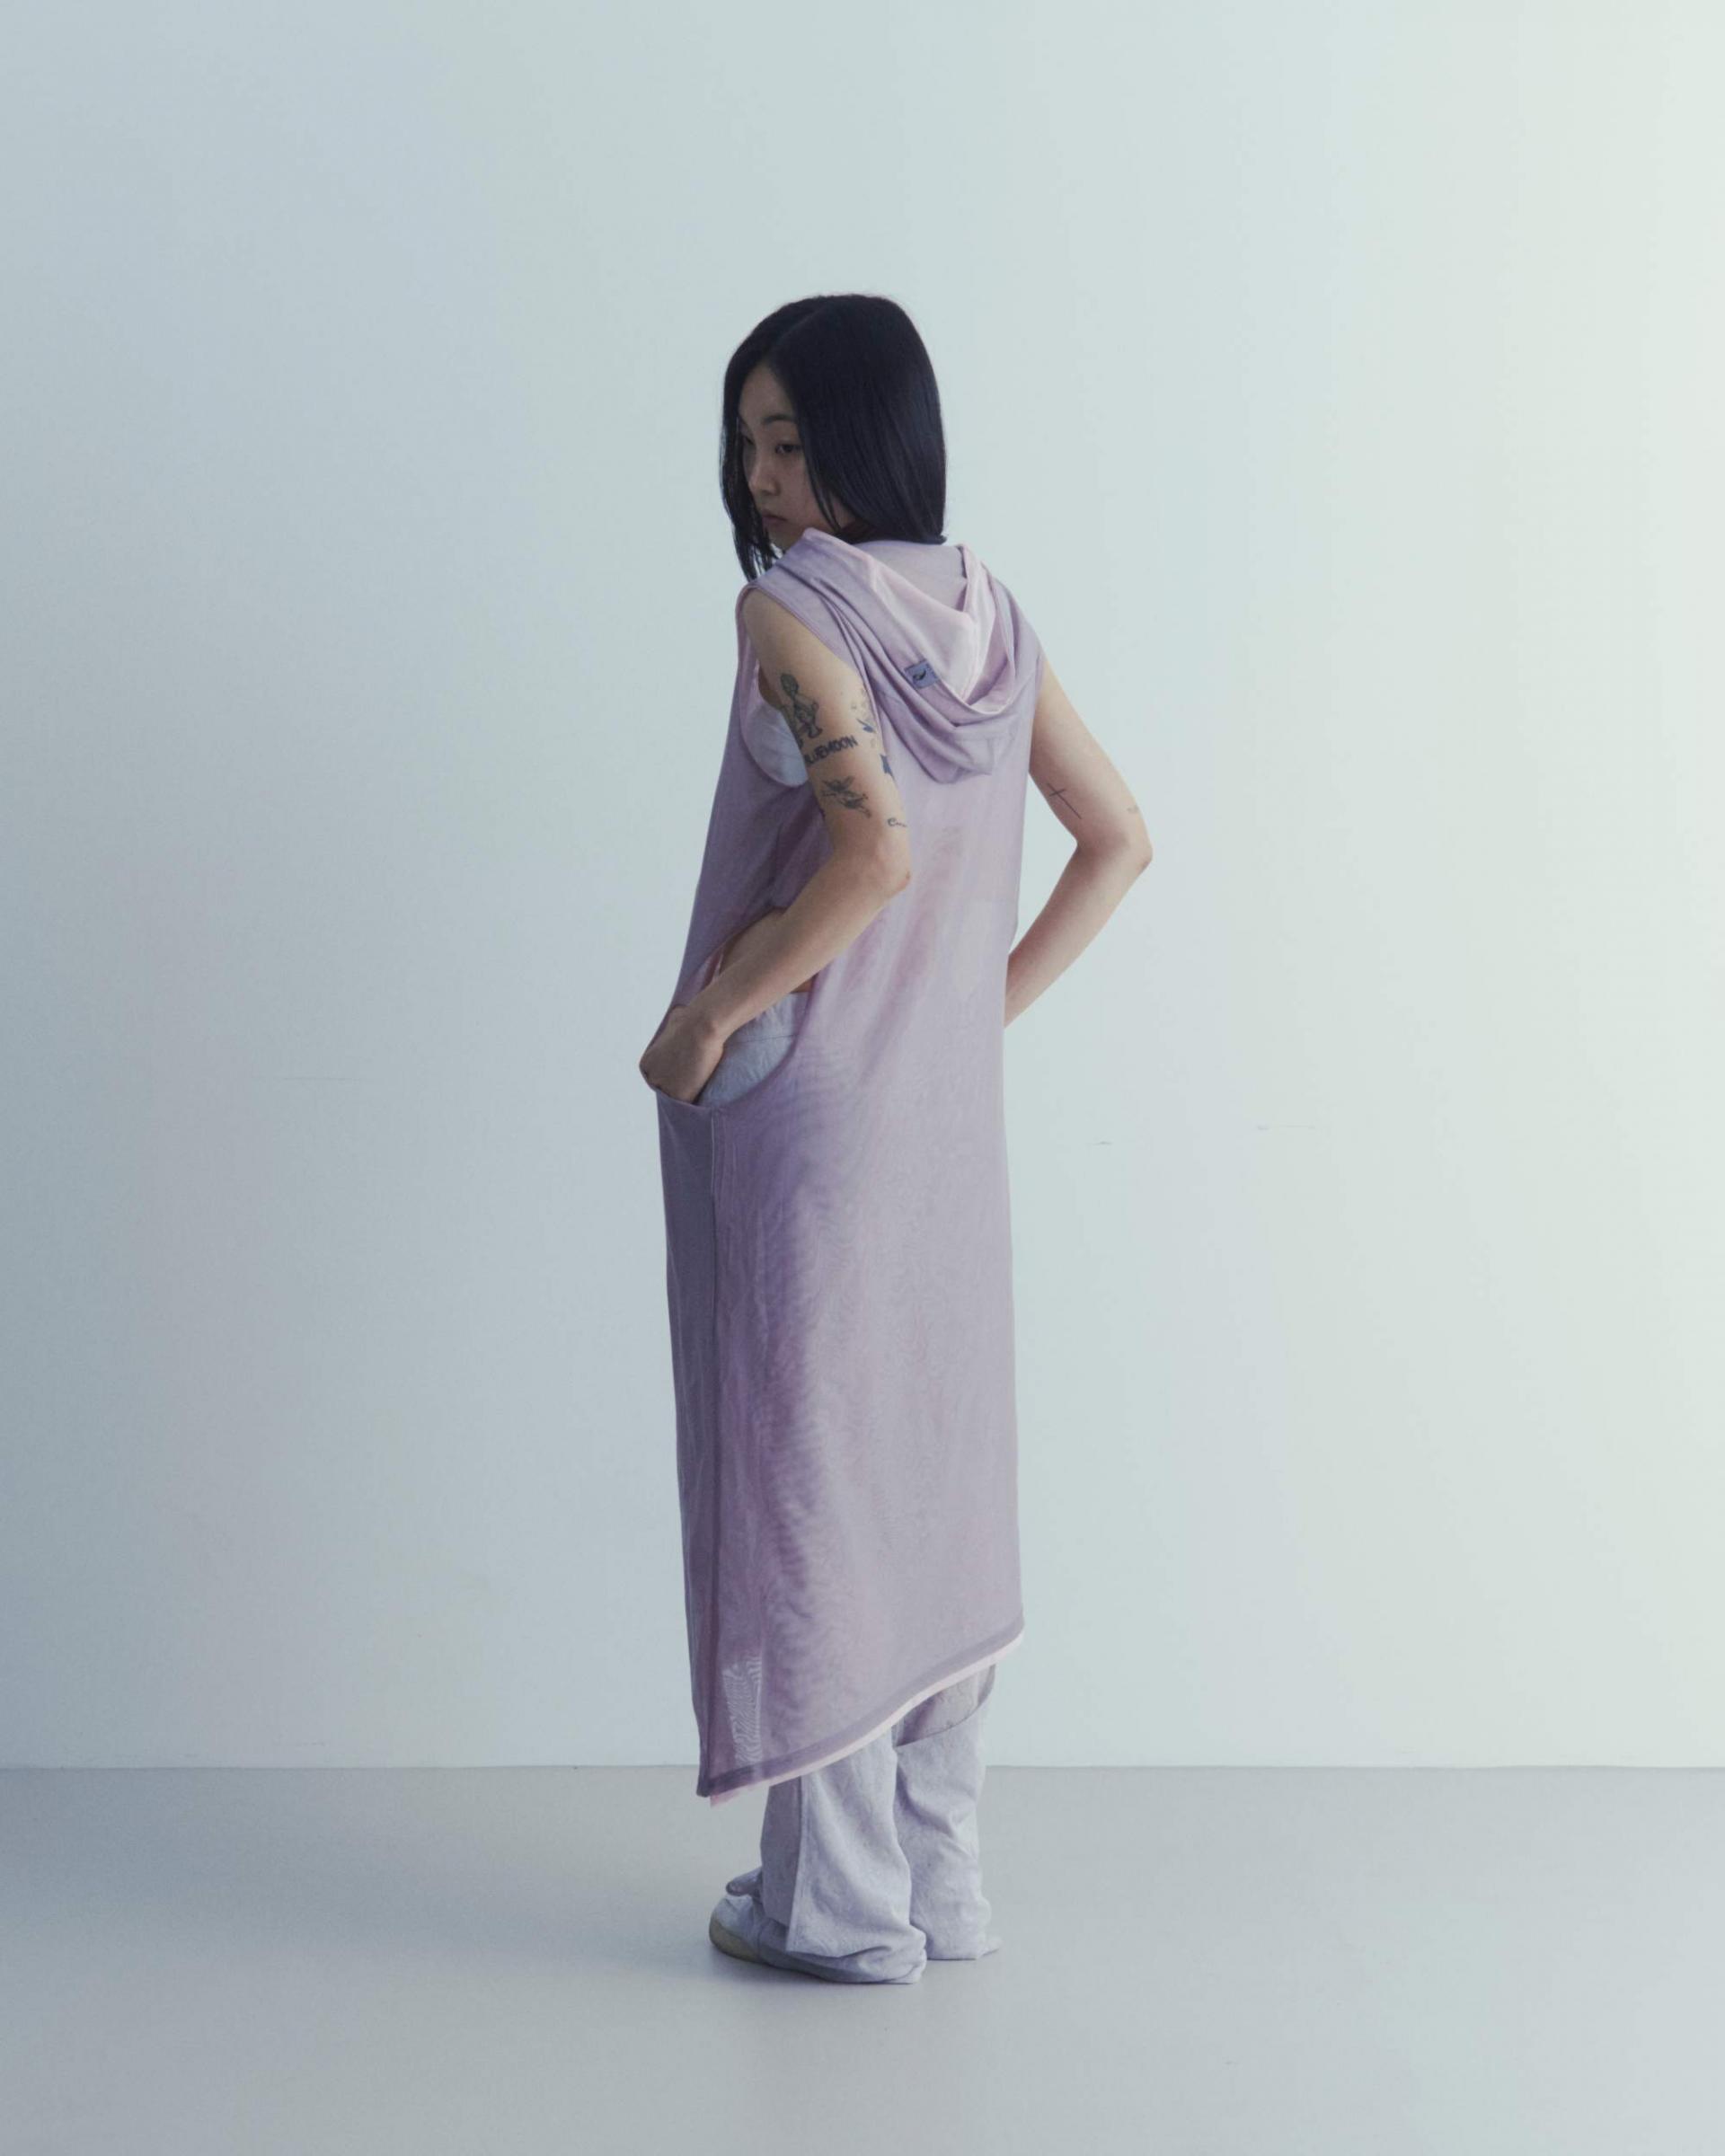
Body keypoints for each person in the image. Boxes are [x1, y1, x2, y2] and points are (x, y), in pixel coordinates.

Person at [640, 295, 1152, 1984]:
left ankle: (841, 1911)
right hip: (938, 1125)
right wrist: (968, 1019)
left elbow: (872, 858)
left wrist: (709, 1018)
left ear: (870, 437)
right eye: (747, 442)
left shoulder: (791, 610)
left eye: (789, 440)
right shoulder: (992, 616)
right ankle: (939, 1888)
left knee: (809, 1481)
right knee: (927, 1476)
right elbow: (1118, 838)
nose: (762, 478)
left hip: (810, 1117)